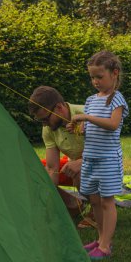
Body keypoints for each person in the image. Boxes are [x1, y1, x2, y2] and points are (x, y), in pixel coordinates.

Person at [68, 50, 129, 260]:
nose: (95, 81)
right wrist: (78, 127)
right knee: (94, 201)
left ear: (114, 73)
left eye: (99, 77)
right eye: (92, 77)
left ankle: (105, 246)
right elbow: (89, 127)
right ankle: (100, 239)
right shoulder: (91, 99)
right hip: (91, 158)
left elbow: (112, 125)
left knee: (106, 201)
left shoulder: (116, 99)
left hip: (108, 160)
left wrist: (86, 117)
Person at [28, 86, 92, 221]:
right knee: (33, 171)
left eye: (45, 119)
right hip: (74, 164)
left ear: (59, 107)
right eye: (40, 121)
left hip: (104, 165)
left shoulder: (88, 113)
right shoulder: (49, 129)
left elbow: (110, 151)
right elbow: (52, 169)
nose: (44, 125)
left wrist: (82, 162)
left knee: (80, 172)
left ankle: (97, 210)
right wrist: (46, 198)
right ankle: (74, 205)